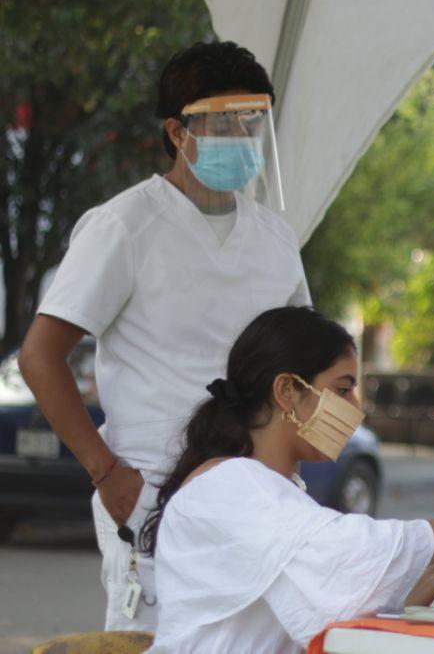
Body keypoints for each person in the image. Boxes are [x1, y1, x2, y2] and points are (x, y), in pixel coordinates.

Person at [18, 41, 310, 631]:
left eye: (252, 122)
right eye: (223, 124)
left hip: (261, 491)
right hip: (154, 489)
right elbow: (39, 357)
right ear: (179, 133)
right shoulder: (124, 226)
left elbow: (308, 364)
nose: (241, 137)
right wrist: (106, 472)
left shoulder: (275, 237)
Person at [137, 306, 434, 653]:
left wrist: (415, 589)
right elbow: (346, 551)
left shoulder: (270, 488)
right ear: (287, 391)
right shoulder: (230, 487)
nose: (355, 408)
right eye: (343, 389)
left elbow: (320, 615)